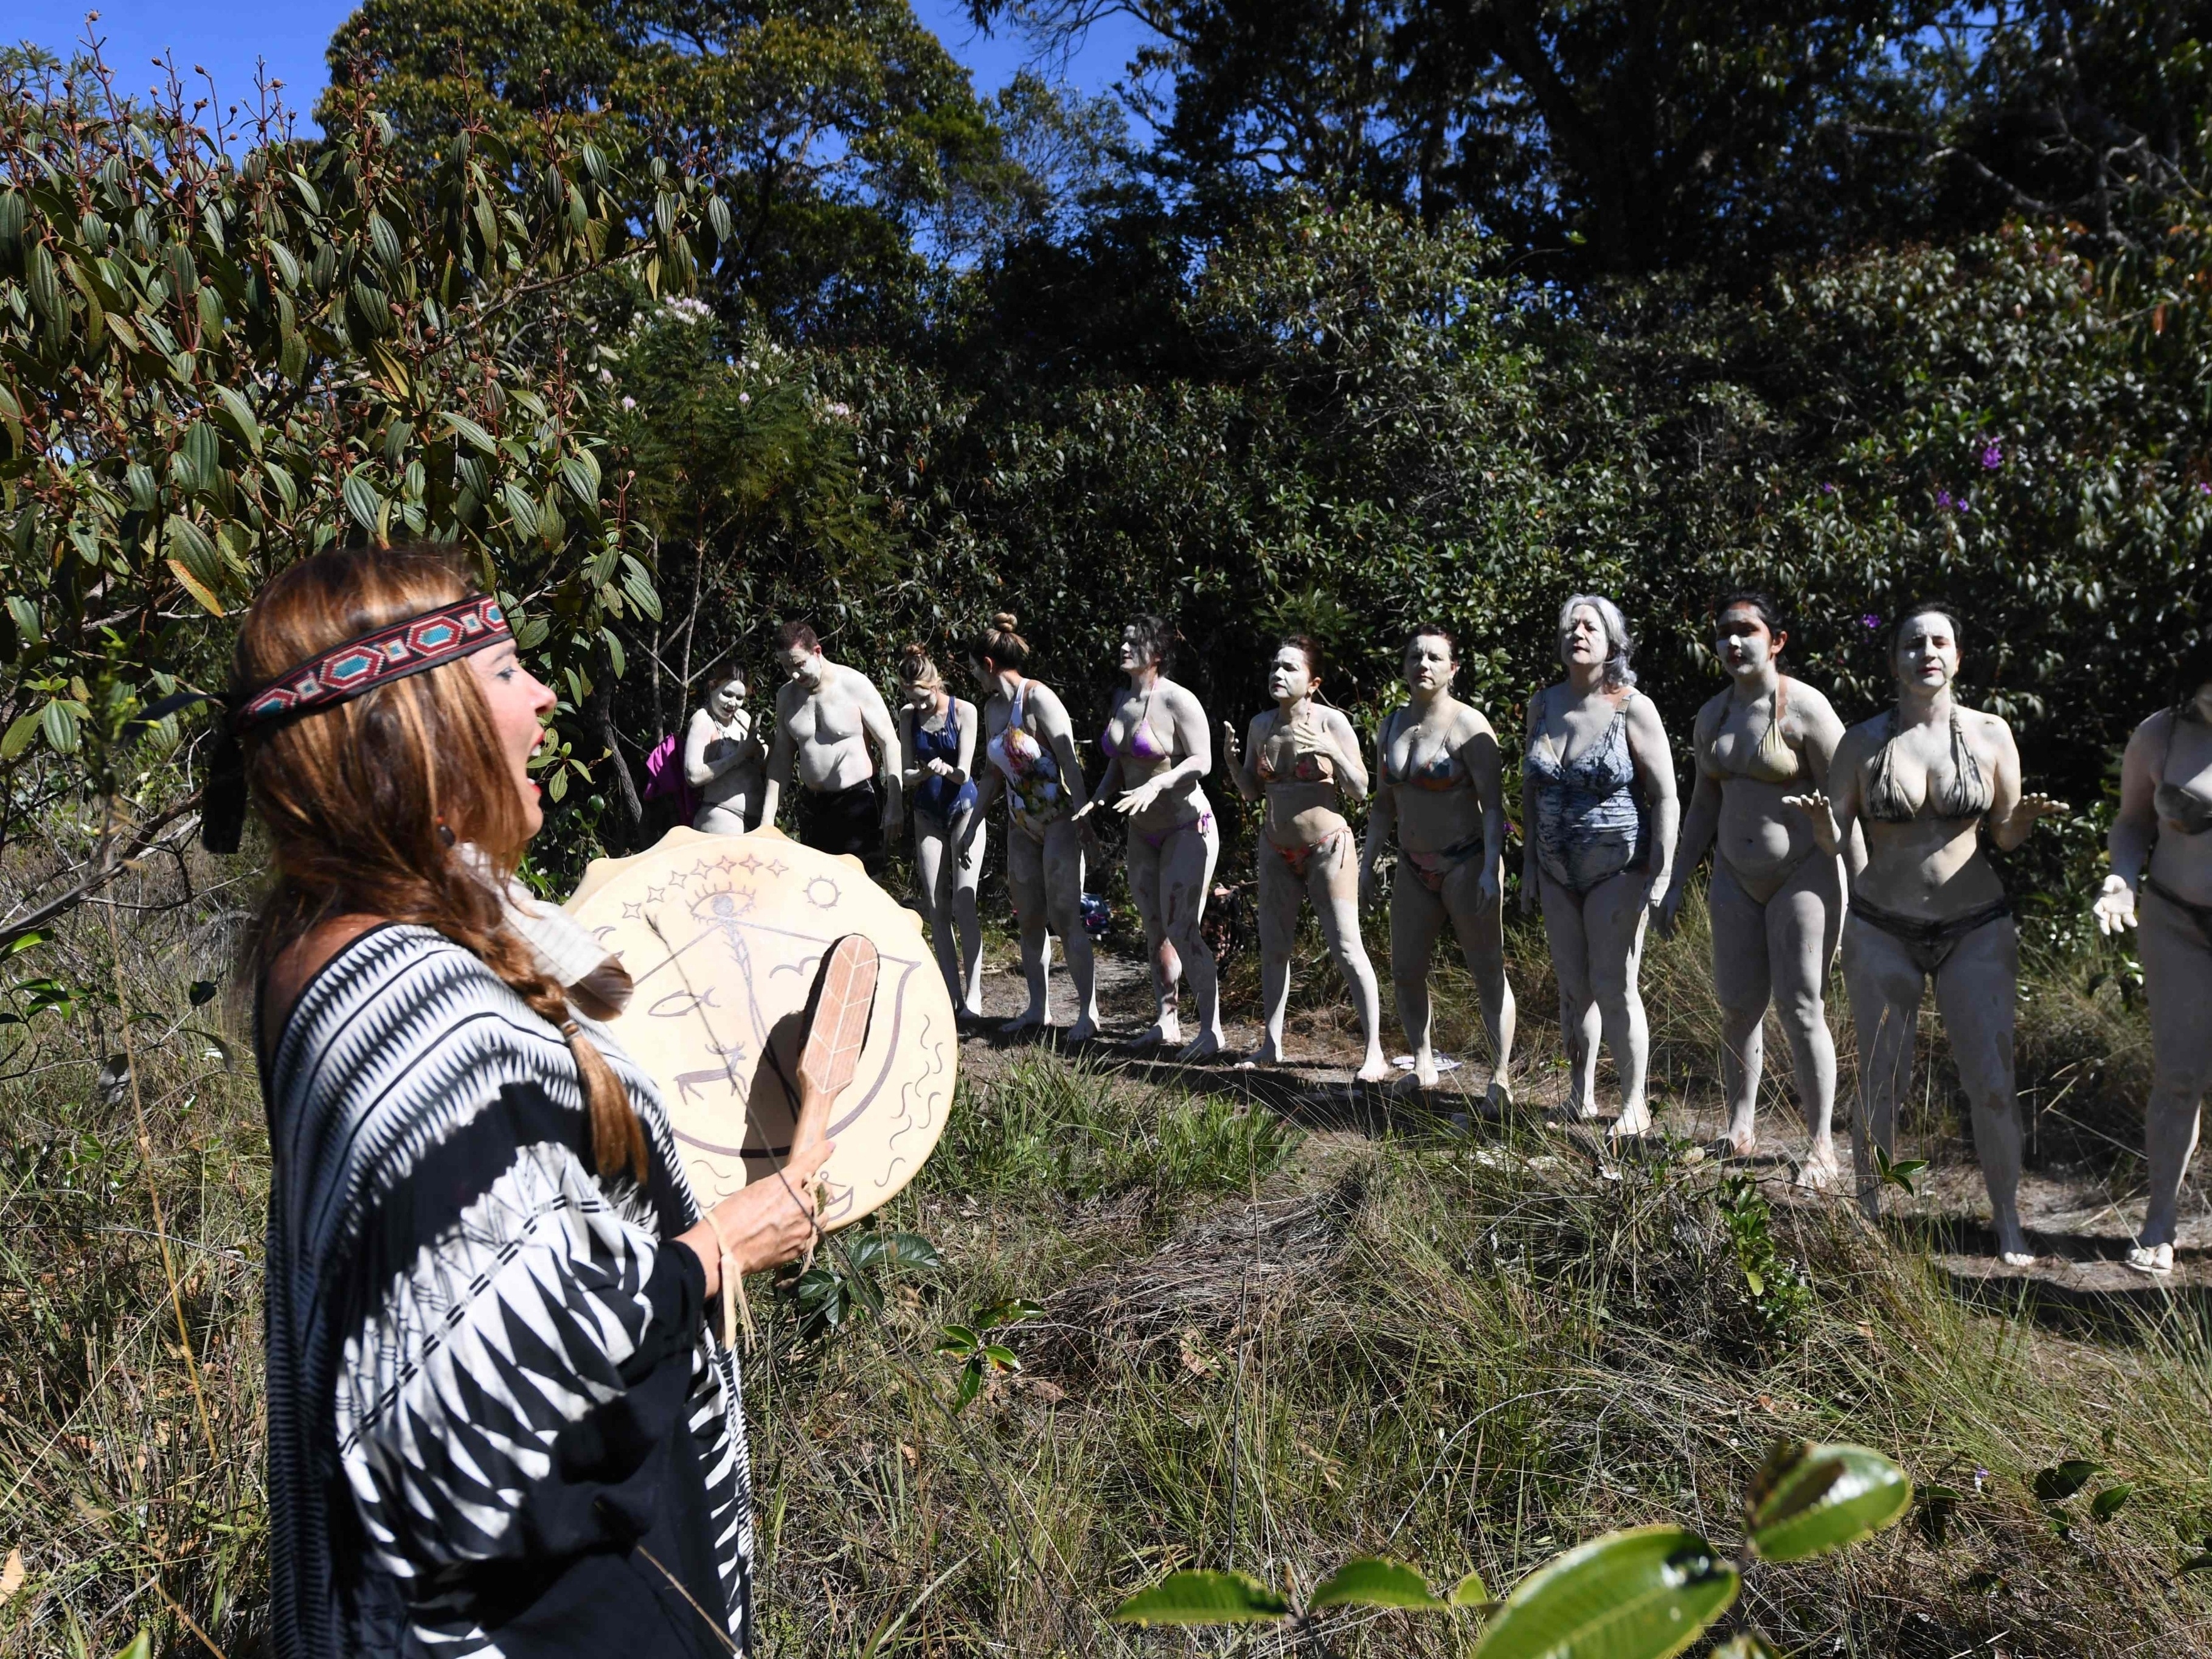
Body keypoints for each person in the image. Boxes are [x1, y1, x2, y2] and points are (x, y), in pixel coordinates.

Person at [227, 544, 844, 1657]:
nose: (546, 695)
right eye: (509, 670)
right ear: (415, 718)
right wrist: (717, 1252)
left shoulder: (345, 936)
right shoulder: (419, 1009)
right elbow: (481, 1411)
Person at [1787, 602, 2066, 1265]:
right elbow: (1837, 833)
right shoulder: (1863, 742)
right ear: (1894, 661)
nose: (1927, 652)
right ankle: (1868, 1219)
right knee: (1883, 1080)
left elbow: (2001, 832)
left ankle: (2008, 1223)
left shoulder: (1993, 733)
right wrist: (1823, 829)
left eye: (1940, 641)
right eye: (1913, 644)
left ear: (1958, 657)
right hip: (1883, 925)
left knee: (1991, 1081)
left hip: (1977, 925)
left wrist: (2020, 823)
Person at [1659, 593, 1851, 1187]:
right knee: (1738, 1008)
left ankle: (1821, 1145)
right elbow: (1700, 806)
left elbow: (1850, 803)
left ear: (1777, 641)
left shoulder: (1807, 710)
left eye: (1746, 630)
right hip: (1733, 880)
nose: (1733, 642)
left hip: (1803, 874)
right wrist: (1671, 881)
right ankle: (1739, 1127)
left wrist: (1856, 885)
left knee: (1800, 1008)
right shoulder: (1711, 715)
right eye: (1723, 633)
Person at [1522, 596, 1679, 1133]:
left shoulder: (1632, 706)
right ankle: (1579, 1095)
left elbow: (1666, 796)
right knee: (1572, 989)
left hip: (1618, 869)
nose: (1578, 632)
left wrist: (1661, 872)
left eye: (1590, 625)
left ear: (1612, 640)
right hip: (1554, 868)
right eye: (1569, 624)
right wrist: (1526, 868)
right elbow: (1529, 789)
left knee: (1613, 984)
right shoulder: (1541, 704)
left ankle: (1634, 1104)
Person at [2092, 641, 2212, 1275]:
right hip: (2175, 920)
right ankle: (2158, 1222)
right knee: (2180, 1073)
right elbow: (2131, 822)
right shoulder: (2160, 735)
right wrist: (2120, 877)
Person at [1221, 636, 1390, 1080]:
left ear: (1312, 683)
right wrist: (1232, 762)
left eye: (1290, 669)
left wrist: (1330, 750)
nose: (1278, 674)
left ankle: (1375, 1050)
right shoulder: (1260, 725)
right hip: (1275, 846)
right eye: (1274, 666)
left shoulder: (1331, 722)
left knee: (1346, 947)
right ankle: (1270, 1044)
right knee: (1274, 949)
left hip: (1326, 846)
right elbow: (1251, 792)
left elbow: (1359, 788)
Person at [1362, 625, 1517, 1097]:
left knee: (1486, 968)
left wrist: (1492, 866)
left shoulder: (1470, 726)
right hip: (1412, 863)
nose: (1423, 664)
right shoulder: (1390, 725)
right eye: (1414, 656)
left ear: (1453, 668)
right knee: (1405, 970)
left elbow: (1494, 806)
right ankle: (1423, 1061)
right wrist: (1368, 862)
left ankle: (1499, 1076)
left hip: (1466, 861)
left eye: (1434, 657)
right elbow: (1382, 804)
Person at [1077, 616, 1222, 1056]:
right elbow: (1119, 762)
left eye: (1134, 642)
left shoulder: (1178, 700)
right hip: (1142, 831)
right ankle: (1167, 1020)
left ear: (1156, 654)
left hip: (1185, 824)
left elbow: (1203, 761)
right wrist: (1098, 797)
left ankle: (1211, 1029)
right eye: (1122, 638)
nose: (1123, 646)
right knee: (1153, 928)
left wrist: (1158, 783)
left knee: (1183, 928)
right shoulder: (1122, 698)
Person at [969, 613, 1101, 1040]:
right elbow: (992, 774)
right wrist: (972, 824)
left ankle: (1088, 1012)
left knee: (1065, 917)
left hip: (1059, 819)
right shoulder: (991, 709)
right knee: (1028, 918)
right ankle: (1037, 1009)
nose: (972, 675)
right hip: (1019, 824)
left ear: (988, 664)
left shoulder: (1037, 698)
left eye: (973, 667)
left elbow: (1068, 761)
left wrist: (1085, 822)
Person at [758, 622, 902, 881]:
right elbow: (781, 759)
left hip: (859, 802)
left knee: (862, 887)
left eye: (799, 664)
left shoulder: (854, 685)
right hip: (814, 806)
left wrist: (895, 802)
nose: (793, 674)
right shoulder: (786, 697)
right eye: (786, 667)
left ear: (817, 652)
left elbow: (890, 742)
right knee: (818, 888)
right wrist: (767, 819)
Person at [896, 643, 985, 1019]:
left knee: (965, 902)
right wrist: (925, 772)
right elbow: (905, 775)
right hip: (927, 813)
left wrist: (946, 770)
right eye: (909, 699)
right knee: (936, 906)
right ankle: (950, 996)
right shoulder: (907, 716)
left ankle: (975, 994)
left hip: (963, 807)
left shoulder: (965, 711)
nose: (917, 706)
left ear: (935, 685)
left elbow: (964, 770)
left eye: (921, 698)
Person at [683, 662, 764, 833]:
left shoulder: (743, 718)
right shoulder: (703, 720)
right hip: (721, 816)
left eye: (740, 698)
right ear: (713, 687)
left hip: (754, 820)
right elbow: (693, 775)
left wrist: (763, 751)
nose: (733, 703)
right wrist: (739, 755)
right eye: (727, 694)